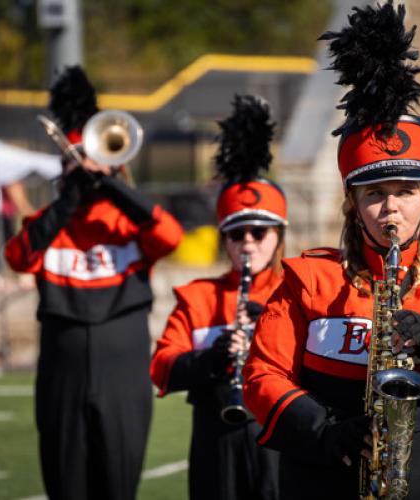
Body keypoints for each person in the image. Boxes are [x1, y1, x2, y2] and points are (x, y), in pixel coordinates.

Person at [242, 2, 420, 499]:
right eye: (374, 195)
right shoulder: (309, 280)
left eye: (405, 192)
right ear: (353, 203)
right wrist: (324, 431)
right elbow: (262, 375)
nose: (390, 210)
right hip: (332, 476)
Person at [4, 65, 184, 500]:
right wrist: (68, 198)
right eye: (74, 160)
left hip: (122, 365)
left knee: (118, 480)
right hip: (61, 367)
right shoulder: (47, 222)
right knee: (65, 481)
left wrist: (109, 185)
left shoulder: (129, 220)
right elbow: (20, 256)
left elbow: (170, 234)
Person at [150, 95, 285, 500]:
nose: (247, 243)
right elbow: (162, 368)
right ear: (223, 239)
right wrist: (212, 357)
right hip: (216, 439)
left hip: (281, 437)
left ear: (279, 235)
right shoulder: (198, 298)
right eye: (236, 234)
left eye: (259, 233)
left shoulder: (300, 290)